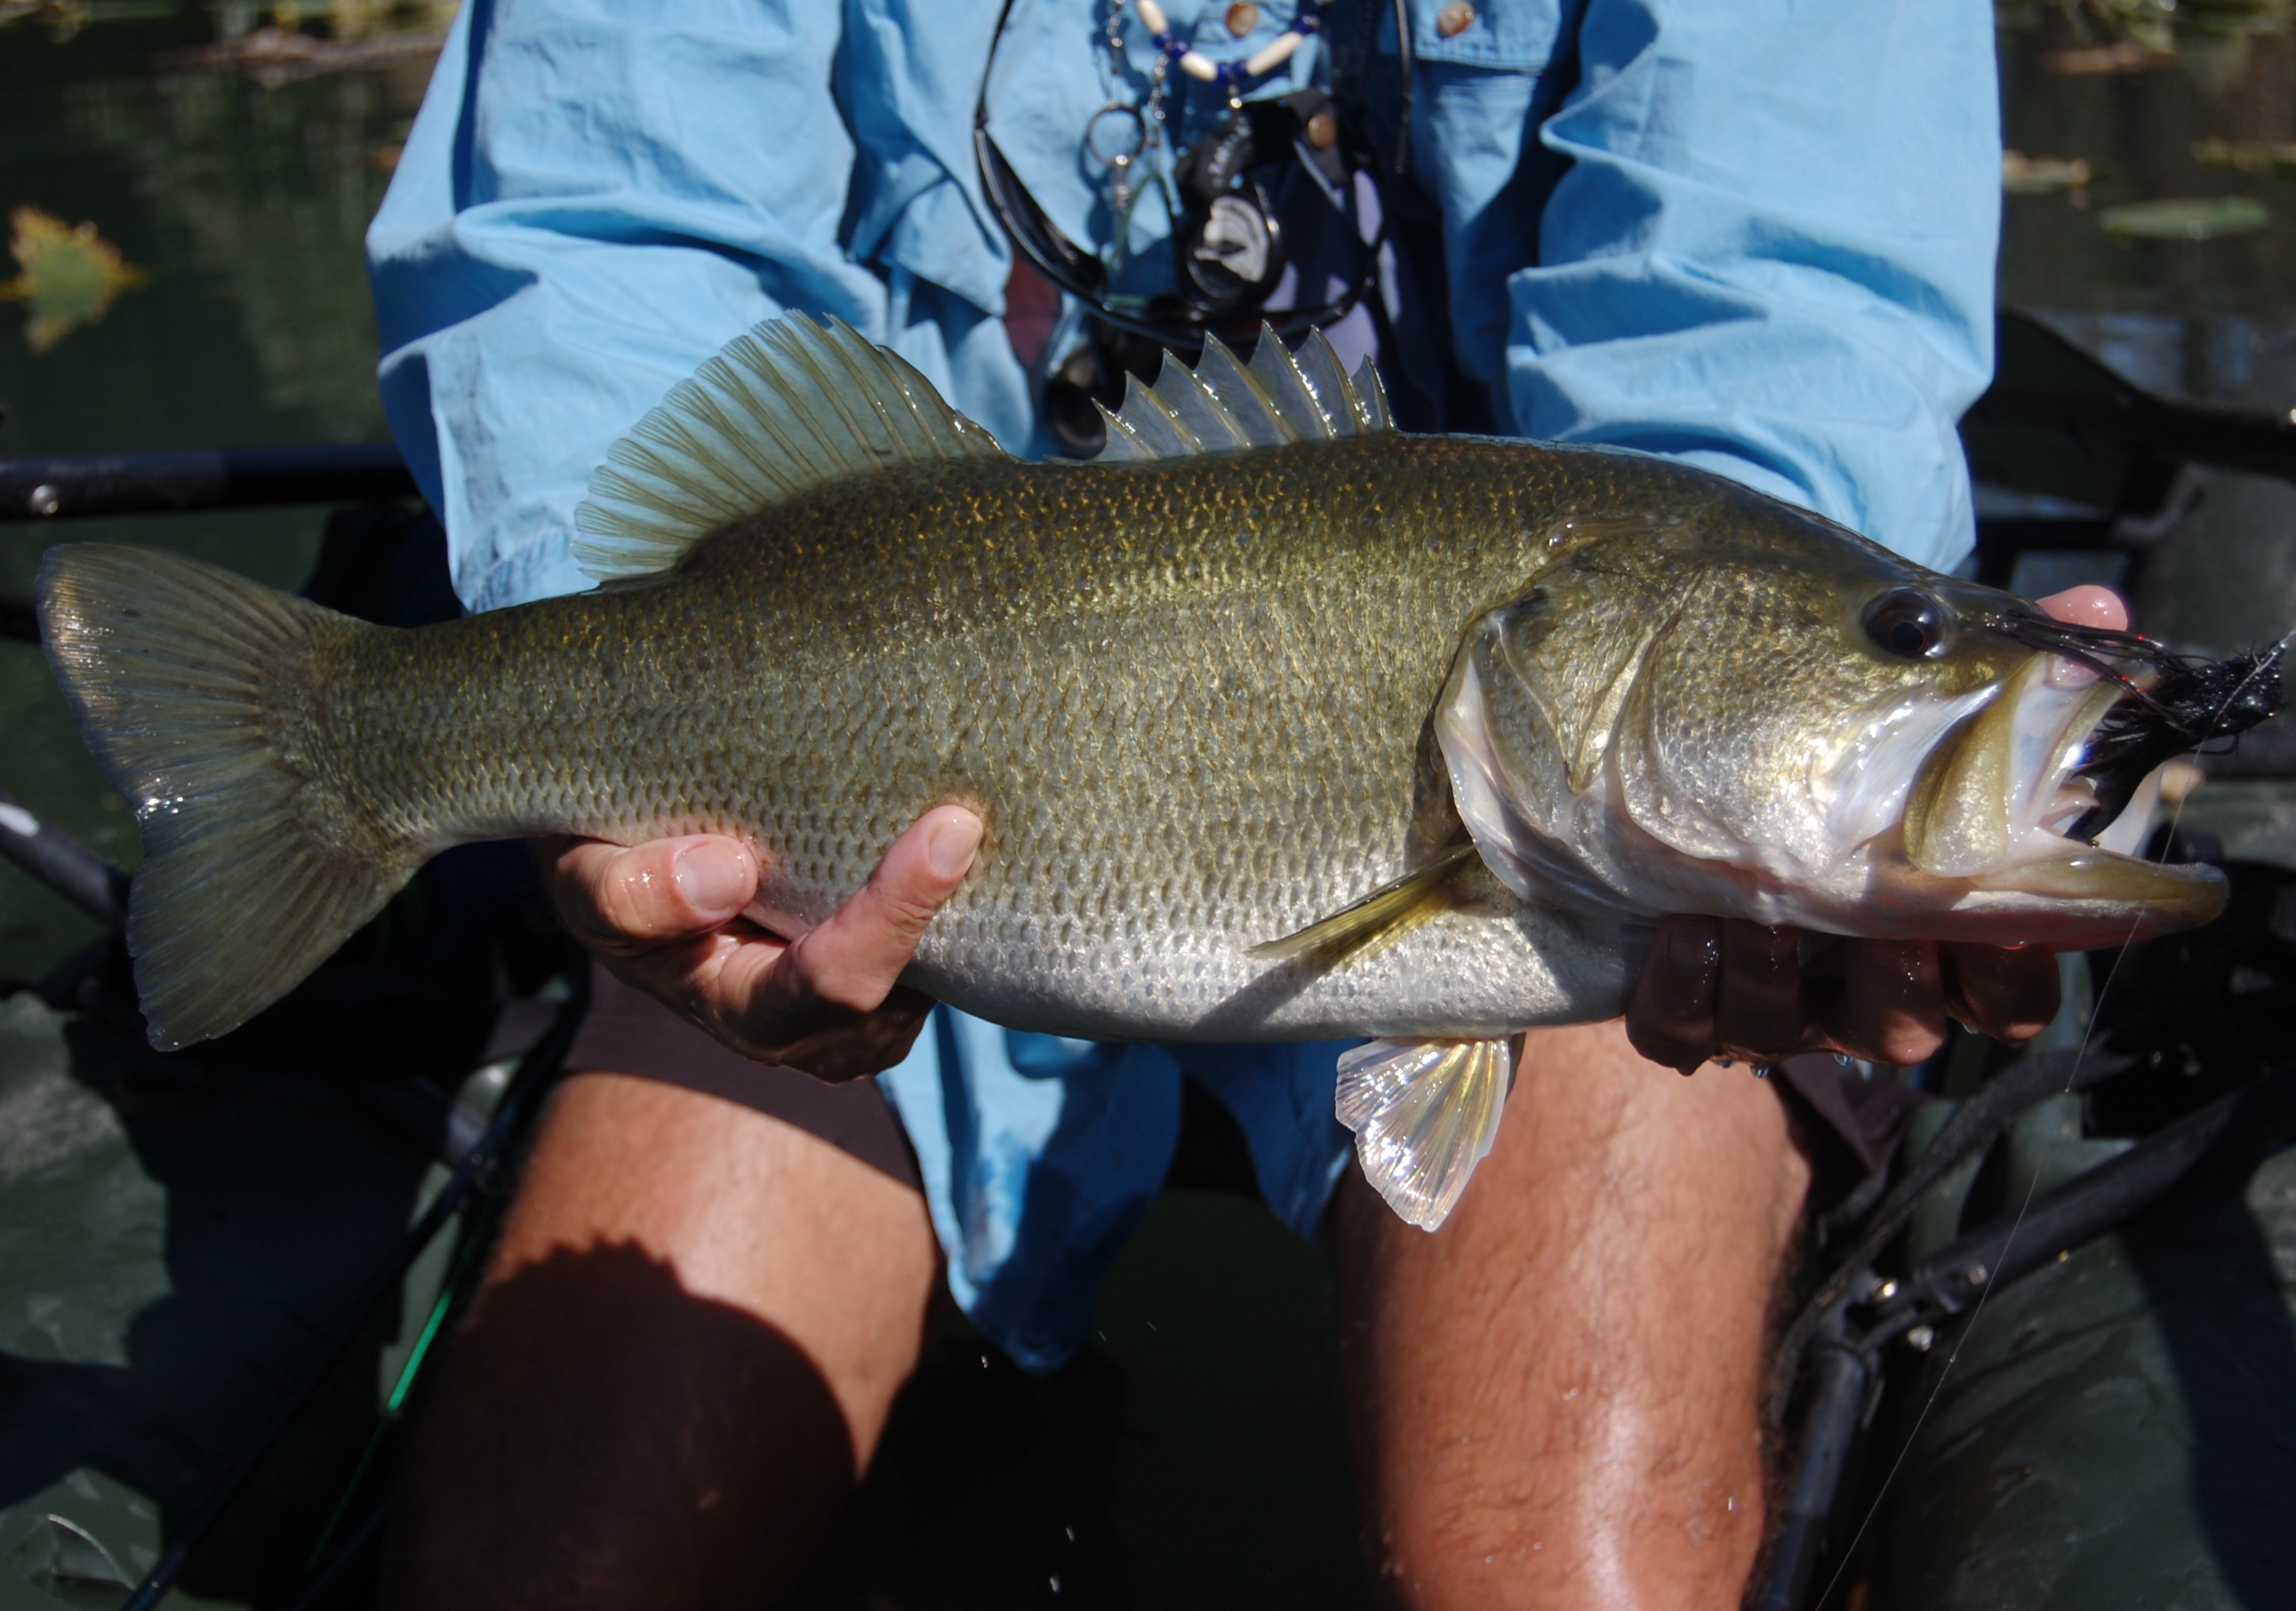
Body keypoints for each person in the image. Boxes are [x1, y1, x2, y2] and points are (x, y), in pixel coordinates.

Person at [362, 3, 2072, 1605]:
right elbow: (613, 222)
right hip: (848, 757)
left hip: (1528, 812)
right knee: (560, 1559)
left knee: (1552, 1561)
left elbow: (1764, 328)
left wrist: (1816, 782)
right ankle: (361, 748)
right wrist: (637, 791)